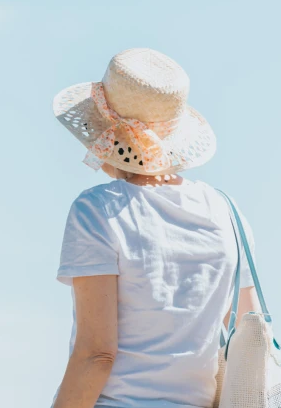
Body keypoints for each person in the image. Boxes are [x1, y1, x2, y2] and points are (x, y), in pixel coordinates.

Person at [50, 48, 260, 408]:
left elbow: (96, 354)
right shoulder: (226, 212)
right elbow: (249, 335)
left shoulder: (98, 210)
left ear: (102, 133)